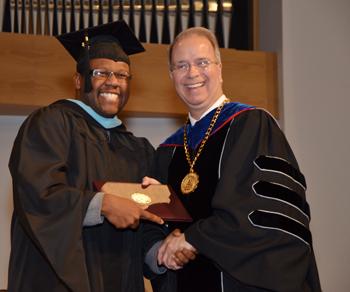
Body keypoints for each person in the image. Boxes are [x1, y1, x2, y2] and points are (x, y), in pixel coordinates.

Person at [144, 27, 322, 291]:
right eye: (181, 65)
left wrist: (192, 239)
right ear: (172, 76)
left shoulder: (251, 125)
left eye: (202, 62)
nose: (192, 73)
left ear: (219, 68)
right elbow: (153, 227)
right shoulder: (166, 152)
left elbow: (258, 212)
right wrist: (160, 250)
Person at [7, 20, 173, 292]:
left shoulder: (139, 150)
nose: (113, 82)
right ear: (78, 80)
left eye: (122, 75)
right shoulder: (50, 123)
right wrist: (102, 204)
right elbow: (38, 195)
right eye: (101, 72)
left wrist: (158, 254)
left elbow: (144, 227)